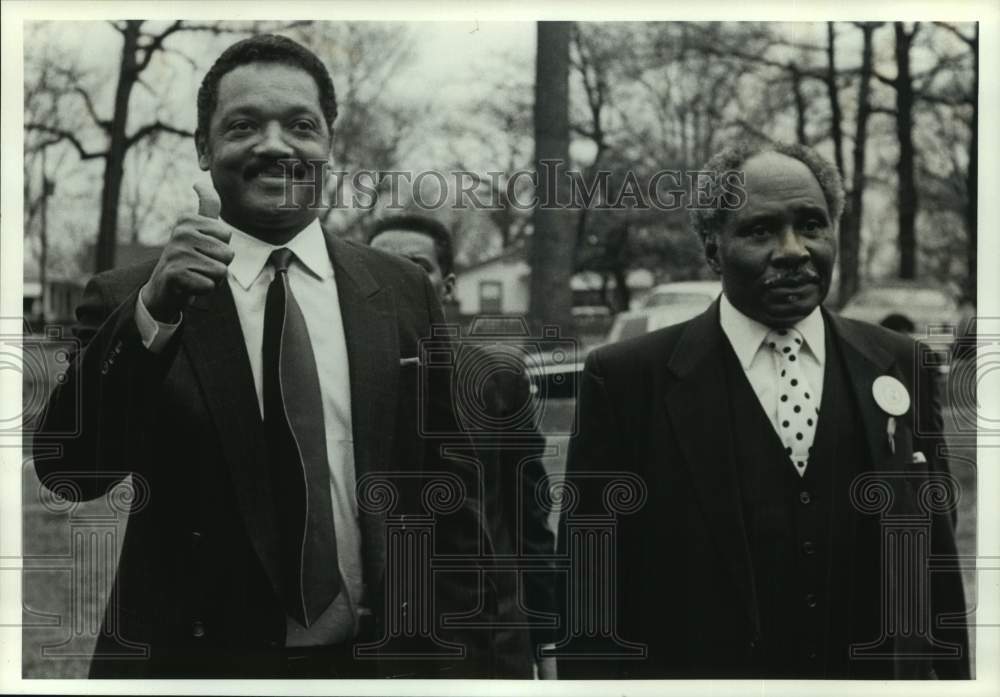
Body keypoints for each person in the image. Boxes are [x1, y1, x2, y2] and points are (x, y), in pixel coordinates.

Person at [33, 34, 492, 679]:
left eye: (300, 125)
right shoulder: (132, 296)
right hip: (199, 664)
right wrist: (155, 313)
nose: (275, 145)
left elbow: (454, 495)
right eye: (244, 124)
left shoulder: (401, 289)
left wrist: (467, 661)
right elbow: (72, 471)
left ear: (329, 144)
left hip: (380, 662)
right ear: (203, 146)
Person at [556, 142, 970, 679]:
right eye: (761, 230)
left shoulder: (899, 363)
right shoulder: (627, 381)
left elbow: (935, 564)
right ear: (712, 249)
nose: (794, 249)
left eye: (812, 226)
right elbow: (591, 596)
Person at [369, 214, 559, 679]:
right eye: (379, 268)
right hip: (373, 647)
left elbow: (527, 522)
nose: (396, 281)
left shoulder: (495, 378)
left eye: (415, 267)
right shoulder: (328, 379)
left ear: (448, 284)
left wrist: (546, 638)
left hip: (488, 644)